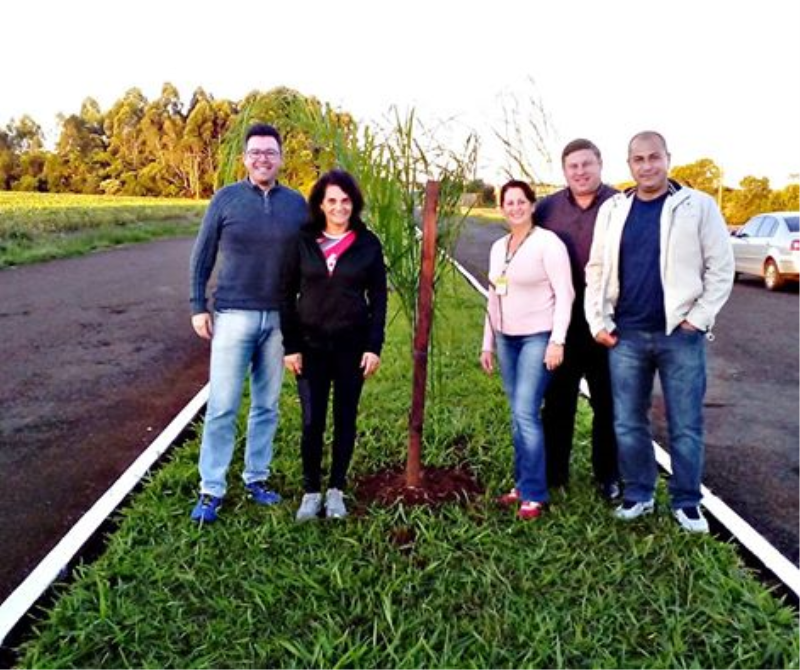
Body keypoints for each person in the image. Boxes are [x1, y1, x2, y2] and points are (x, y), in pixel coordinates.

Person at [585, 131, 734, 533]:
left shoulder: (697, 206)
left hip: (679, 336)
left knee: (686, 424)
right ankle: (639, 494)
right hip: (627, 335)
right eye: (639, 159)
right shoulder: (614, 209)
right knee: (628, 421)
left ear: (668, 158)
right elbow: (596, 267)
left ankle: (687, 502)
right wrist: (597, 321)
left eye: (654, 157)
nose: (647, 165)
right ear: (629, 164)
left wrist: (697, 320)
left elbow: (721, 268)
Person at [188, 122, 307, 523]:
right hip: (232, 316)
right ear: (245, 158)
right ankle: (211, 489)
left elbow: (312, 259)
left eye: (270, 152)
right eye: (255, 152)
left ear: (281, 158)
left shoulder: (297, 204)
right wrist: (197, 305)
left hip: (279, 319)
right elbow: (202, 256)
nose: (262, 159)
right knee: (222, 405)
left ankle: (257, 477)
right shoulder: (225, 200)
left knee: (267, 406)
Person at [281, 169, 387, 522]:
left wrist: (374, 346)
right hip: (310, 347)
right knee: (312, 421)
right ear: (320, 205)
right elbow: (286, 295)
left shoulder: (368, 243)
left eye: (345, 200)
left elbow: (379, 299)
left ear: (353, 203)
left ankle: (336, 490)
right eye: (332, 201)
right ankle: (311, 491)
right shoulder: (303, 240)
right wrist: (290, 346)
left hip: (352, 348)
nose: (339, 207)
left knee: (345, 418)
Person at [480, 180, 574, 520]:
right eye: (509, 202)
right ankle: (521, 485)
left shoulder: (548, 244)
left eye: (521, 201)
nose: (515, 207)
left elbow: (566, 294)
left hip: (538, 336)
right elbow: (493, 296)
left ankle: (535, 493)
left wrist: (557, 341)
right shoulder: (498, 247)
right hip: (506, 338)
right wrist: (487, 343)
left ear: (532, 205)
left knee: (525, 412)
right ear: (501, 207)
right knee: (518, 416)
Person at [536, 139, 621, 501]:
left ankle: (608, 476)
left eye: (587, 164)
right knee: (557, 401)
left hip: (607, 317)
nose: (581, 172)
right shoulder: (548, 209)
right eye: (573, 166)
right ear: (565, 170)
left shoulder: (621, 204)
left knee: (608, 402)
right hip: (563, 319)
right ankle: (554, 474)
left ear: (600, 164)